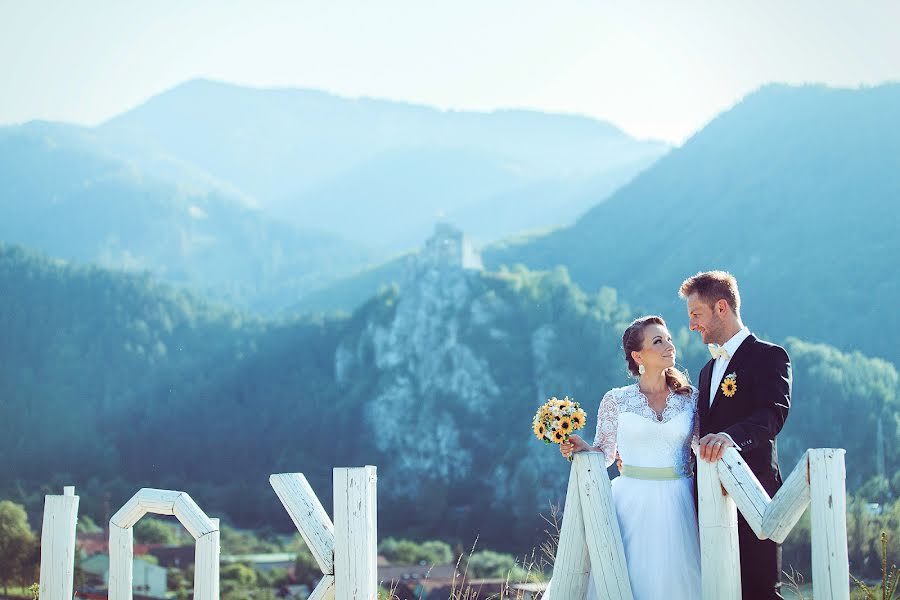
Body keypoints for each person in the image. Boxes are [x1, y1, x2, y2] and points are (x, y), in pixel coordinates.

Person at [561, 315, 701, 600]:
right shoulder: (616, 400)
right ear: (638, 356)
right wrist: (581, 449)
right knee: (628, 581)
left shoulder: (691, 398)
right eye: (658, 341)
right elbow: (604, 455)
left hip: (682, 500)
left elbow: (701, 447)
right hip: (631, 502)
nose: (669, 346)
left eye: (669, 339)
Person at [681, 270, 791, 599]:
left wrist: (730, 438)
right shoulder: (706, 370)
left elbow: (772, 414)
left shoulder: (769, 356)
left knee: (759, 590)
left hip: (755, 494)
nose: (692, 325)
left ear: (722, 307)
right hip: (709, 501)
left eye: (696, 315)